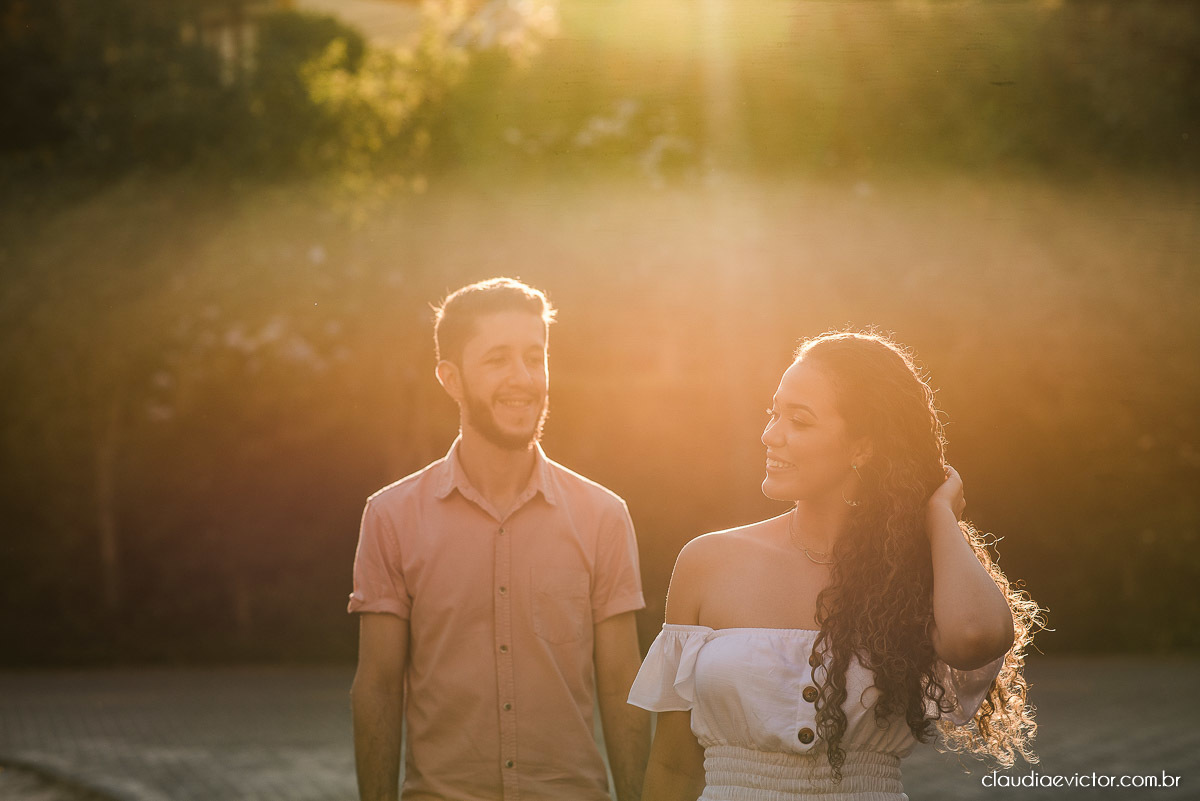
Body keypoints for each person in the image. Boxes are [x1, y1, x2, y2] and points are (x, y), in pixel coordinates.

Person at [630, 330, 1042, 800]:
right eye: (773, 413)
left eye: (799, 420)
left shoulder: (911, 574)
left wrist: (940, 518)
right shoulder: (707, 561)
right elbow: (672, 766)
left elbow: (976, 637)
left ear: (862, 448)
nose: (770, 435)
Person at [349, 277, 650, 801]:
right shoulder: (391, 516)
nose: (524, 378)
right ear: (451, 378)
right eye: (497, 360)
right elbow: (377, 688)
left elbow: (623, 682)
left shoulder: (603, 516)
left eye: (535, 357)